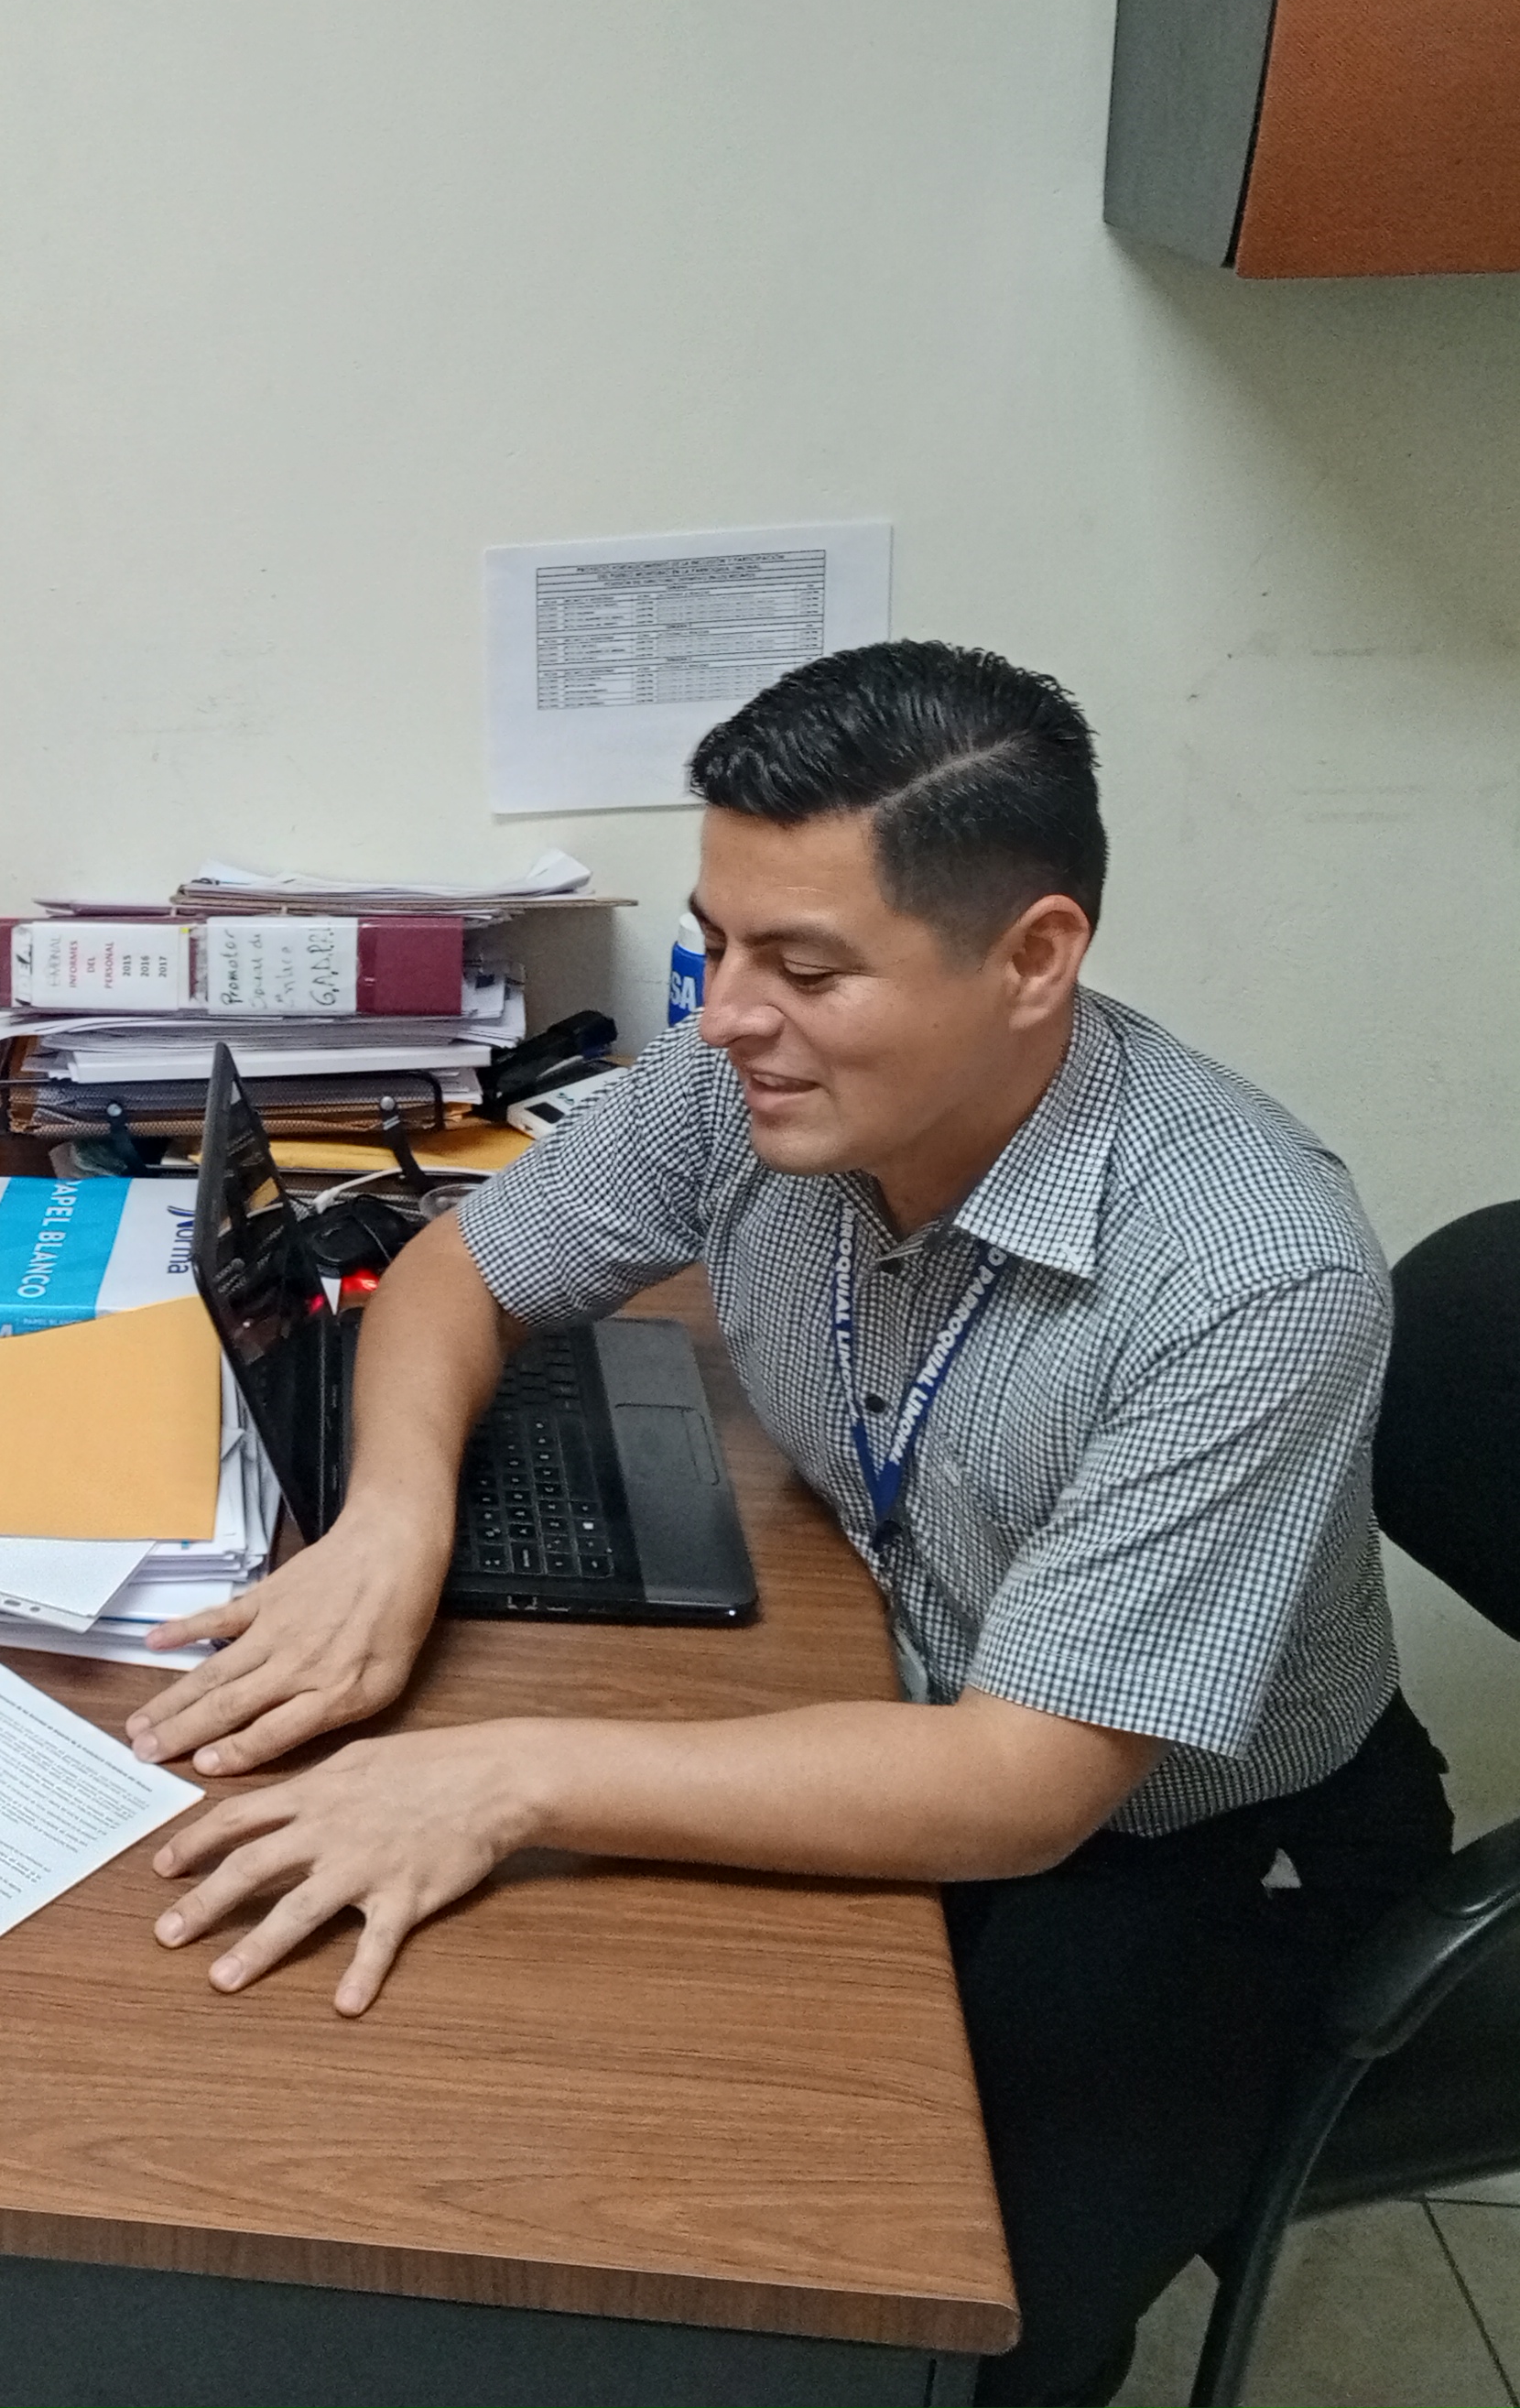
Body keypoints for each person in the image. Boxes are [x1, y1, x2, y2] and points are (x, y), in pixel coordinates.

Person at [125, 643, 1449, 2408]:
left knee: (934, 2307)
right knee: (551, 2104)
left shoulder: (1250, 1277)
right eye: (720, 941)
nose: (733, 1014)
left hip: (1193, 1844)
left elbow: (1025, 1786)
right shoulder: (744, 1079)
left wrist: (504, 1778)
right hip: (892, 1679)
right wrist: (391, 1526)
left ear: (1034, 959)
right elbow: (462, 1271)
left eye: (808, 968)